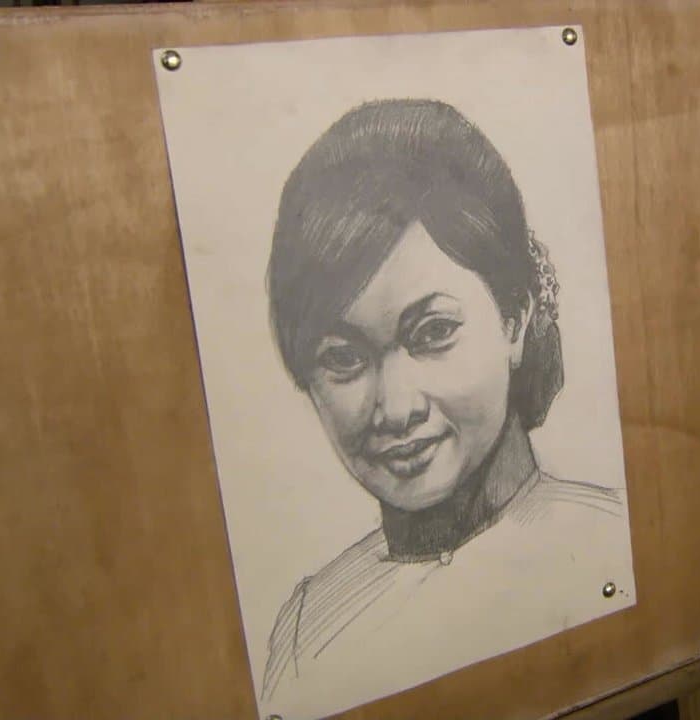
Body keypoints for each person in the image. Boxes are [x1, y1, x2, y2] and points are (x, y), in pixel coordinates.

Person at [260, 99, 625, 705]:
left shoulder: (615, 541)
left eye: (432, 333)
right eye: (343, 358)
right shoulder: (307, 629)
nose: (395, 408)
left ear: (514, 318)